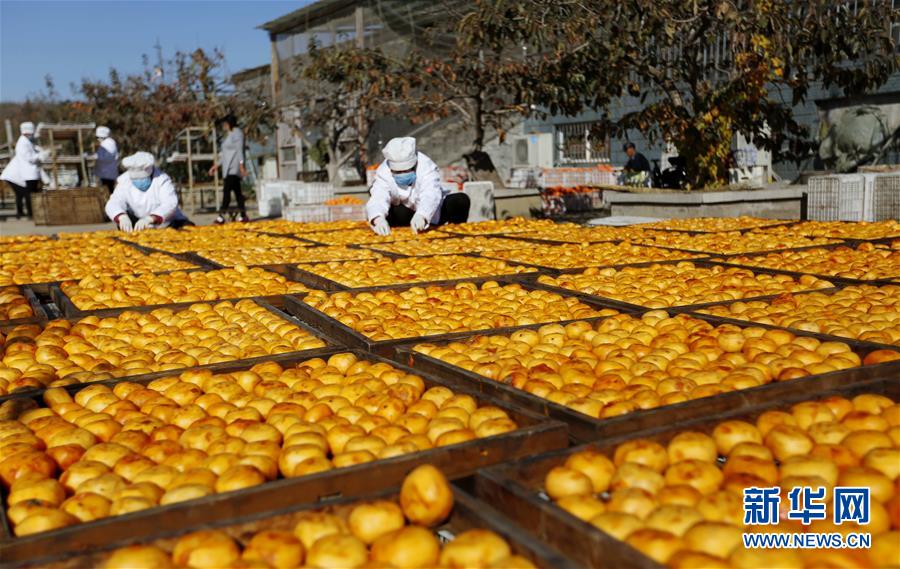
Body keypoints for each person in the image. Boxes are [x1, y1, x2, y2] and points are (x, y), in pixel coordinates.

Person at [366, 137, 469, 236]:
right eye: (398, 172)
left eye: (406, 170)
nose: (402, 174)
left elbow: (430, 193)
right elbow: (379, 196)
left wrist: (422, 215)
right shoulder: (384, 171)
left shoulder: (426, 166)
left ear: (414, 165)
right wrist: (377, 218)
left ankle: (454, 231)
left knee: (460, 200)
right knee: (397, 210)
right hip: (403, 213)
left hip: (431, 211)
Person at [106, 151, 192, 232]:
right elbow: (114, 203)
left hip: (169, 222)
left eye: (142, 178)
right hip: (139, 224)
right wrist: (122, 217)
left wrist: (150, 219)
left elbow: (170, 203)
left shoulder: (162, 179)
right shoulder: (124, 181)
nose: (139, 181)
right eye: (135, 179)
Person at [208, 114, 248, 223]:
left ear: (230, 124)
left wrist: (241, 166)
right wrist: (216, 166)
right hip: (227, 168)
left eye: (225, 124)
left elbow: (240, 151)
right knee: (237, 193)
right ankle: (243, 215)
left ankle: (221, 216)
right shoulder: (229, 135)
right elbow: (225, 154)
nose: (224, 126)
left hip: (234, 168)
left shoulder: (237, 134)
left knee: (227, 191)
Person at [0, 122, 43, 219]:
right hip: (14, 175)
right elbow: (29, 157)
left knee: (22, 194)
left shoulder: (26, 142)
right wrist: (39, 156)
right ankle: (28, 214)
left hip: (20, 174)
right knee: (25, 193)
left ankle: (21, 213)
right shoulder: (23, 142)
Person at [93, 126, 119, 195]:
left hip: (108, 174)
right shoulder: (105, 143)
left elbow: (108, 157)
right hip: (105, 173)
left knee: (108, 192)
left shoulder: (109, 143)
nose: (97, 139)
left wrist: (96, 156)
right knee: (106, 191)